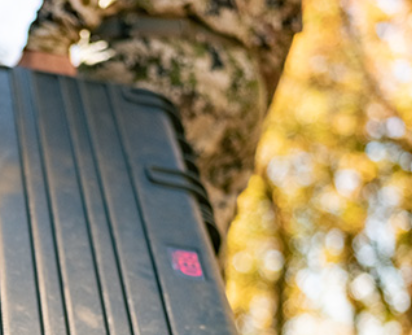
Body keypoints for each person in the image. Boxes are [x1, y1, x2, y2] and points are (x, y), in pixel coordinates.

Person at [19, 0, 302, 258]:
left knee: (81, 231)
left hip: (149, 61)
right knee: (194, 250)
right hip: (240, 89)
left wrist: (51, 34)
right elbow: (284, 31)